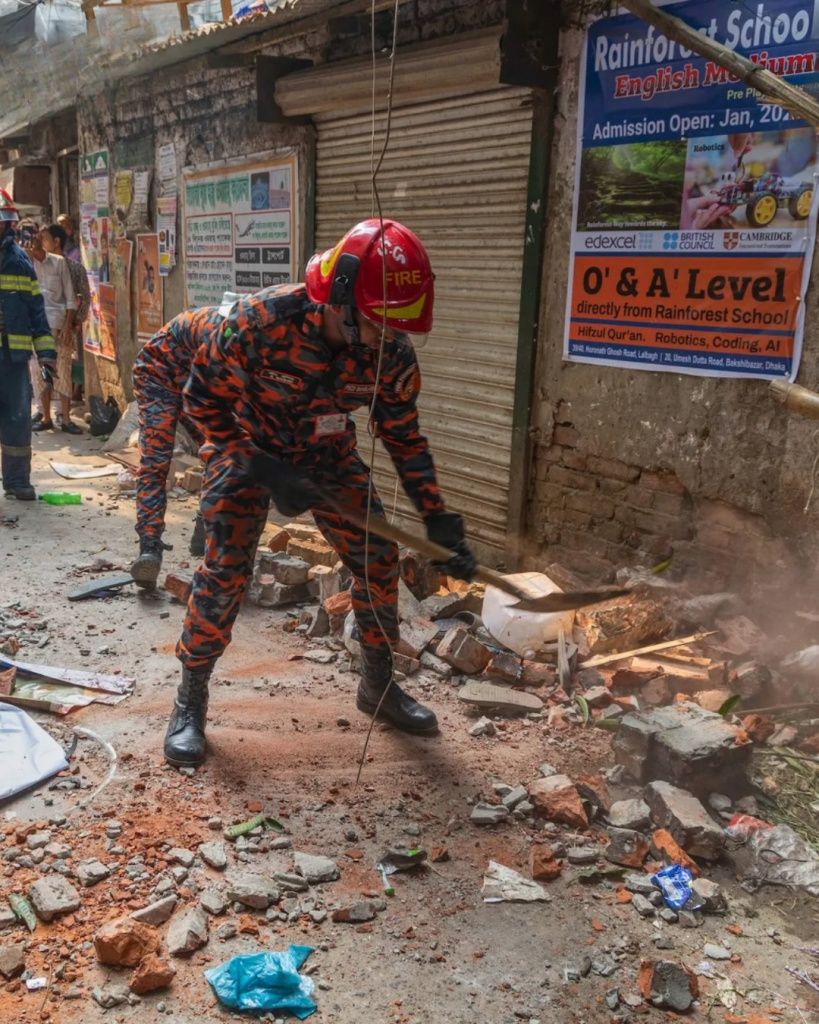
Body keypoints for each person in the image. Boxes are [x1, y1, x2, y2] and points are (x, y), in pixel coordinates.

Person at [163, 219, 477, 767]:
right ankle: (190, 700)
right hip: (246, 447)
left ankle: (377, 689)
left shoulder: (391, 354)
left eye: (400, 327)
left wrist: (436, 515)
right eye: (381, 324)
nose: (393, 338)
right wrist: (259, 466)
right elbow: (201, 403)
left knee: (378, 557)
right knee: (228, 568)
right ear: (339, 301)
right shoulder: (259, 322)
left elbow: (402, 436)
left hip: (327, 456)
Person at [129, 295, 239, 588]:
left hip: (197, 385)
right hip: (158, 378)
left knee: (220, 454)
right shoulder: (216, 333)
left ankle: (207, 536)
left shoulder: (250, 341)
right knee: (156, 460)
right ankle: (149, 546)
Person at [0, 189, 55, 500]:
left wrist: (47, 355)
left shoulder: (20, 262)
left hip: (13, 357)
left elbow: (36, 310)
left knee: (17, 418)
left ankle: (18, 481)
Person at [23, 223, 79, 435]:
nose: (36, 238)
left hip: (58, 325)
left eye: (40, 235)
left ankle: (66, 419)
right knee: (41, 372)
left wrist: (67, 326)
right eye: (32, 235)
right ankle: (46, 417)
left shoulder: (58, 262)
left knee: (63, 371)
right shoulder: (24, 263)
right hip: (37, 327)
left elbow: (70, 298)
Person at [40, 223, 89, 411]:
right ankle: (46, 412)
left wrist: (76, 323)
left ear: (56, 241)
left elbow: (83, 297)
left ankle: (64, 412)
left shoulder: (74, 268)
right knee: (45, 370)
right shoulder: (41, 266)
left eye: (44, 239)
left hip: (69, 326)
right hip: (48, 325)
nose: (41, 243)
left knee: (67, 369)